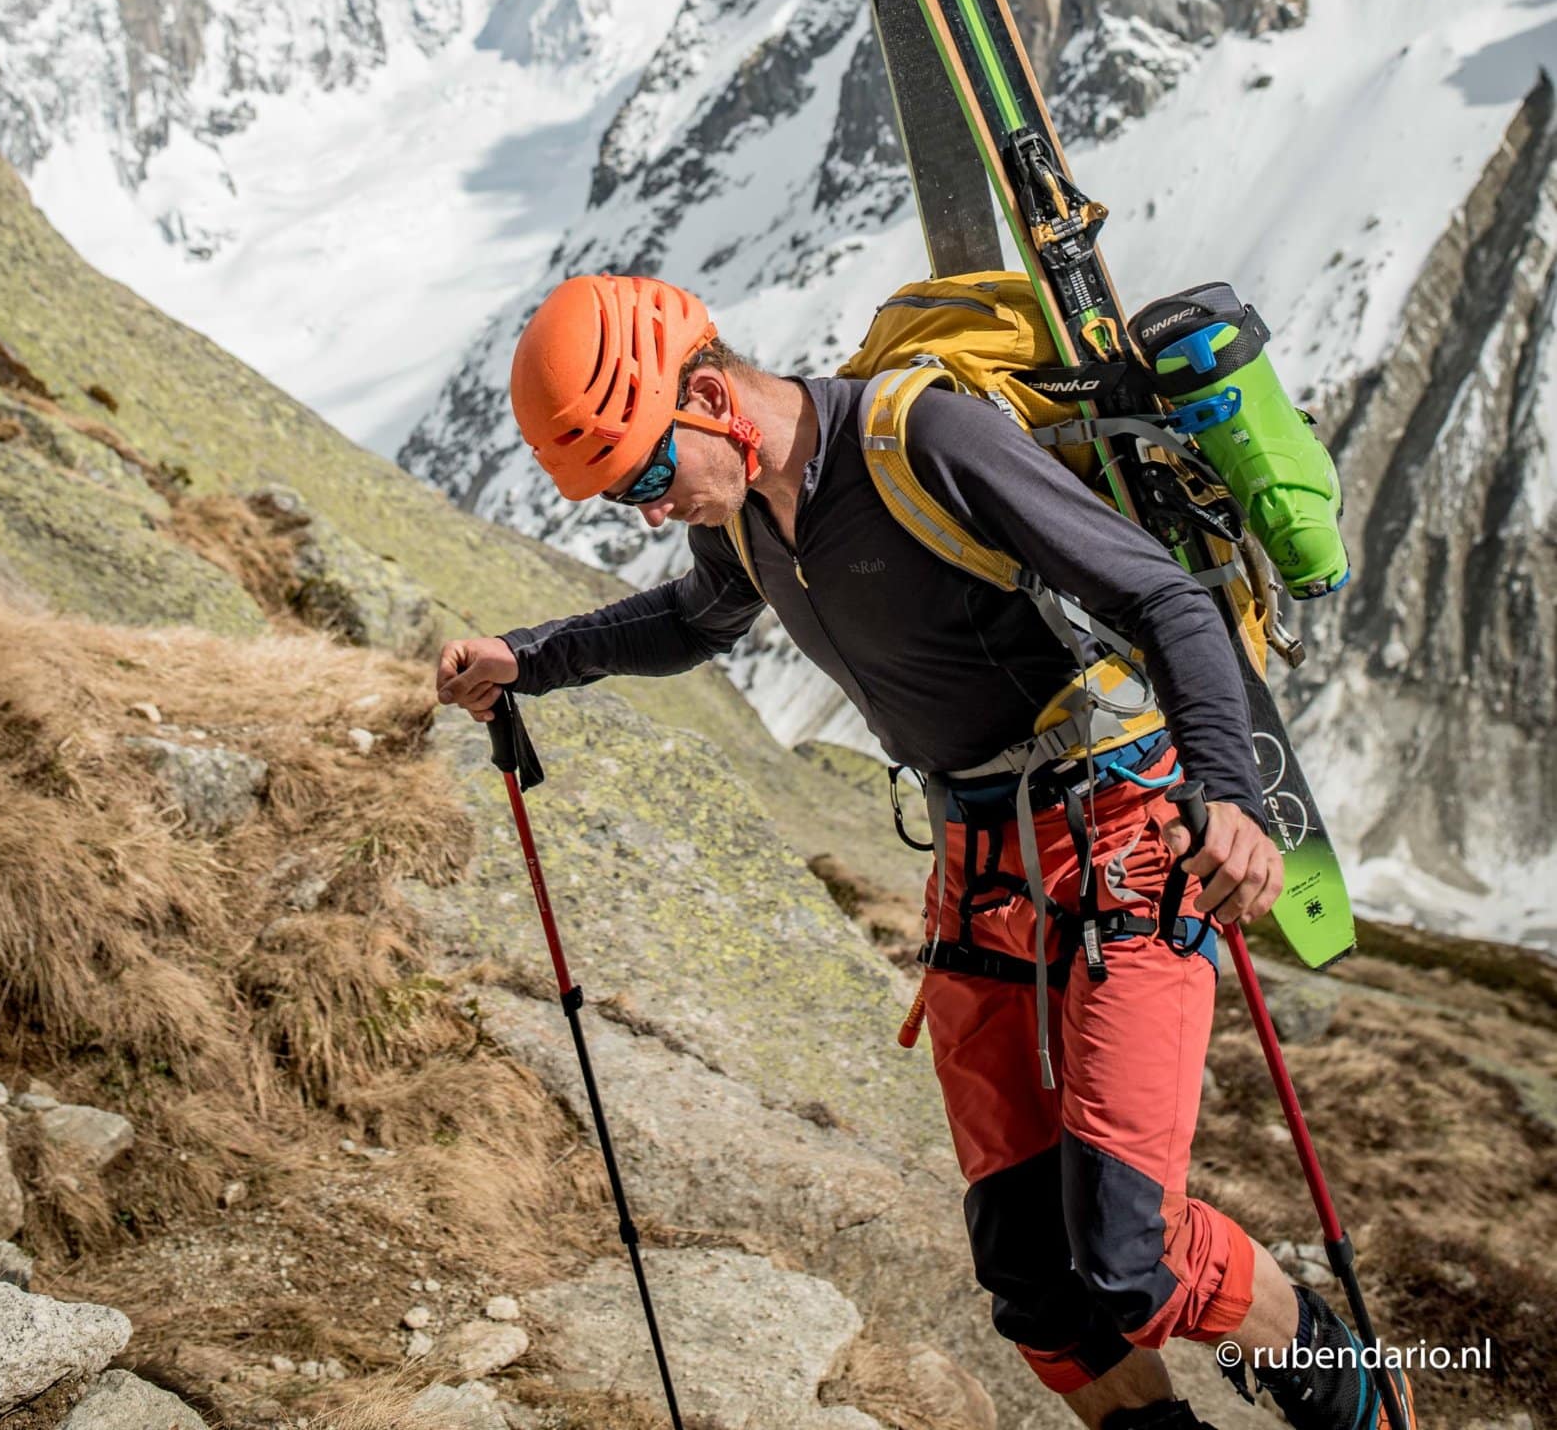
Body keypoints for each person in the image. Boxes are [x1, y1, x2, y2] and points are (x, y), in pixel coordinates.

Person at [437, 272, 1409, 1430]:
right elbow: (691, 621)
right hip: (977, 872)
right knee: (1032, 1282)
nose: (649, 508)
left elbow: (1166, 601)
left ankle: (1359, 1402)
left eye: (648, 471)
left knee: (1129, 1253)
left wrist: (1229, 791)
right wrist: (526, 655)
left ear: (709, 395)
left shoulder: (922, 439)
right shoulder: (749, 514)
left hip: (1118, 844)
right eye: (621, 495)